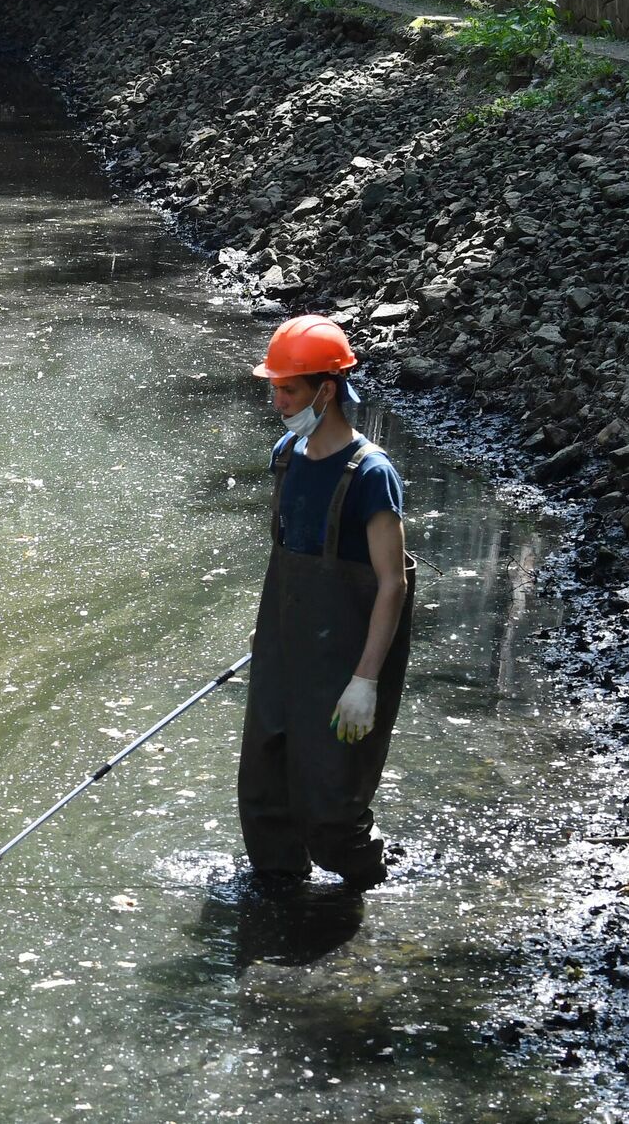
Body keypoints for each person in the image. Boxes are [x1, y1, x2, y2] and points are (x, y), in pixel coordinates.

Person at [239, 314, 416, 892]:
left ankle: (372, 886)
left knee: (331, 810)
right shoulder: (287, 457)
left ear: (327, 389)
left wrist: (365, 680)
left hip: (347, 662)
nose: (277, 399)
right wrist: (269, 643)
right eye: (274, 386)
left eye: (288, 388)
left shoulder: (371, 474)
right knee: (265, 795)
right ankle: (281, 912)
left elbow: (391, 582)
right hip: (284, 655)